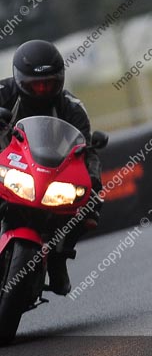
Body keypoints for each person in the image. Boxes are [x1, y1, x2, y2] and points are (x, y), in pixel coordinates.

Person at [0, 40, 102, 295]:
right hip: (7, 164)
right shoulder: (3, 92)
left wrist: (93, 180)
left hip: (48, 177)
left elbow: (88, 149)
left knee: (90, 203)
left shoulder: (72, 108)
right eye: (35, 85)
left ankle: (58, 256)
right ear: (19, 80)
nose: (43, 90)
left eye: (49, 84)